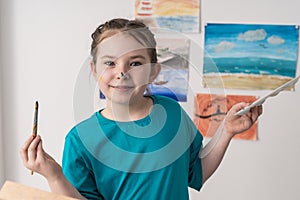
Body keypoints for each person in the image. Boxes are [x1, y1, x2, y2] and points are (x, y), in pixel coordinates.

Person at [20, 18, 262, 200]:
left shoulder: (172, 114)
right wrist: (53, 174)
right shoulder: (80, 140)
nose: (122, 72)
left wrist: (227, 131)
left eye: (135, 63)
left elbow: (196, 172)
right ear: (94, 70)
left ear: (154, 72)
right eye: (110, 63)